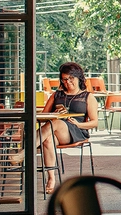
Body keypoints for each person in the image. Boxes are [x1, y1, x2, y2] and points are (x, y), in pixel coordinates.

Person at [39, 62, 98, 194]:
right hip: (57, 131)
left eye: (71, 78)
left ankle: (26, 151)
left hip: (77, 131)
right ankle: (51, 178)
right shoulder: (56, 95)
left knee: (57, 123)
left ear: (79, 78)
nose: (68, 82)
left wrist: (78, 124)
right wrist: (54, 114)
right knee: (49, 140)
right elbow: (43, 116)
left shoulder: (88, 97)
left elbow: (94, 123)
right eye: (64, 79)